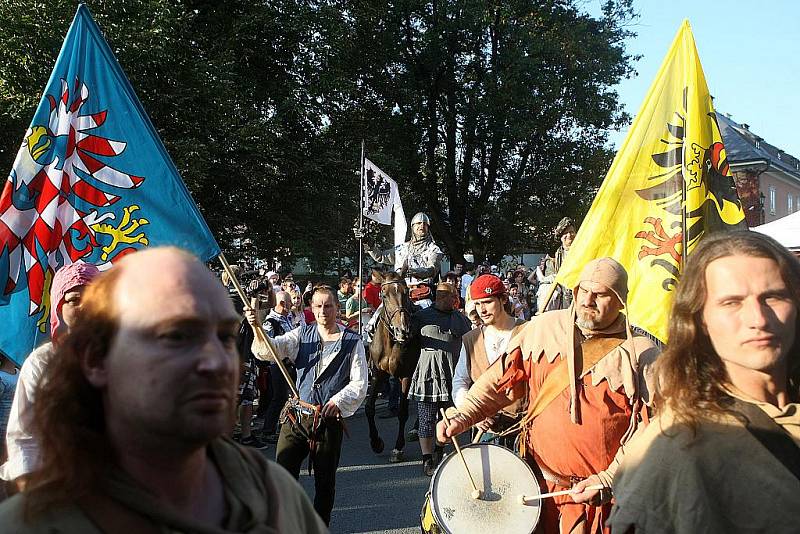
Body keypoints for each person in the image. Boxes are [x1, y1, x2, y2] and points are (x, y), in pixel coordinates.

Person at [0, 247, 327, 533]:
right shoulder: (32, 525)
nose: (216, 363)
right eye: (176, 336)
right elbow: (26, 443)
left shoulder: (277, 495)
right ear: (100, 360)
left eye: (226, 337)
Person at [439, 258, 660, 534]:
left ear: (619, 301)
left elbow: (653, 429)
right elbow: (498, 381)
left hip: (601, 502)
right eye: (583, 291)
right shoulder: (542, 328)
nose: (587, 301)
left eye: (600, 294)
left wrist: (610, 478)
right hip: (536, 489)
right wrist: (464, 414)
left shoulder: (642, 354)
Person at [609, 231, 800, 532]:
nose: (759, 319)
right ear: (701, 320)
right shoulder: (679, 445)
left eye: (773, 296)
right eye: (731, 303)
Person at [248, 284, 368, 526]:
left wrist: (338, 401)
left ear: (337, 308)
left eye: (329, 305)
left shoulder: (352, 341)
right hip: (296, 418)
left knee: (325, 484)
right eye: (319, 306)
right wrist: (256, 327)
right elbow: (269, 350)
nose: (324, 310)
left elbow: (359, 383)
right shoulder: (301, 334)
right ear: (311, 309)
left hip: (327, 420)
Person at [0, 261, 101, 490]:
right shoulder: (42, 362)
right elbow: (25, 440)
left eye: (93, 296)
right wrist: (35, 498)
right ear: (58, 307)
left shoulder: (126, 356)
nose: (85, 306)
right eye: (73, 300)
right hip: (58, 487)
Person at [451, 275, 527, 447]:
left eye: (488, 302)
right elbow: (460, 381)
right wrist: (471, 415)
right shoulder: (471, 339)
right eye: (477, 304)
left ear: (503, 299)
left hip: (523, 429)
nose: (482, 310)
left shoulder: (527, 331)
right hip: (484, 431)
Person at [408, 283, 472, 475]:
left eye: (453, 297)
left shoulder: (461, 319)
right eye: (446, 297)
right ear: (438, 296)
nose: (451, 300)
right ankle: (426, 458)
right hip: (427, 373)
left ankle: (439, 448)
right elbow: (407, 342)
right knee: (426, 419)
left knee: (449, 418)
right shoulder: (420, 316)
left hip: (452, 374)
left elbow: (471, 343)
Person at [366, 212, 442, 308]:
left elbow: (432, 269)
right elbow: (381, 257)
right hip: (398, 294)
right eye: (418, 223)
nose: (422, 225)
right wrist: (369, 245)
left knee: (425, 319)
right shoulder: (402, 248)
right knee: (376, 318)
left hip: (420, 296)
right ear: (412, 226)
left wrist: (414, 272)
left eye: (424, 224)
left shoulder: (433, 249)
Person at [536, 217, 577, 312]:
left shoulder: (582, 251)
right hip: (562, 297)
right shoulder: (555, 256)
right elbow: (549, 280)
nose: (569, 235)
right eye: (565, 233)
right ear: (560, 236)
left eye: (571, 232)